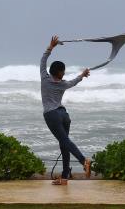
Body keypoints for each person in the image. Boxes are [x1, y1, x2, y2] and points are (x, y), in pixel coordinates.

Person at [40, 35, 91, 185]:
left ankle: (83, 161)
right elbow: (74, 82)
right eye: (63, 71)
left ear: (51, 71)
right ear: (60, 72)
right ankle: (64, 177)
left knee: (64, 142)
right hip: (64, 115)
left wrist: (51, 47)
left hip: (52, 115)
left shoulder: (44, 78)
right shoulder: (63, 84)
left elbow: (42, 61)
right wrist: (82, 75)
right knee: (64, 143)